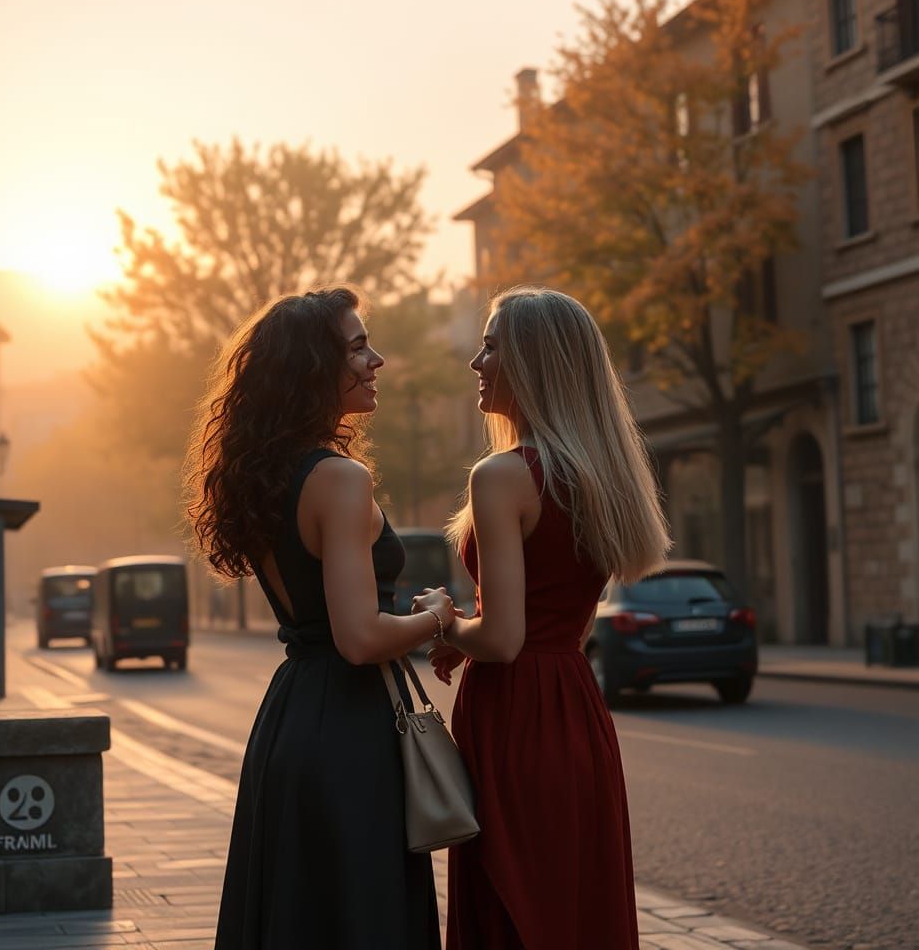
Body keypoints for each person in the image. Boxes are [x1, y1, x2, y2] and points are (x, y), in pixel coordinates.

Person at [186, 287, 451, 950]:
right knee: (362, 918)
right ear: (313, 367)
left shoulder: (268, 476)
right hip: (350, 731)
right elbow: (359, 638)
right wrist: (439, 618)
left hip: (290, 720)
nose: (376, 360)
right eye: (358, 347)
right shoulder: (340, 479)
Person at [416, 285, 671, 950]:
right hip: (576, 712)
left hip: (516, 718)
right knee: (575, 906)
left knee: (513, 908)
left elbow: (504, 640)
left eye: (491, 347)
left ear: (534, 361)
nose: (476, 362)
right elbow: (564, 625)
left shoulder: (501, 476)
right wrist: (472, 635)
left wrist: (444, 622)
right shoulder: (599, 476)